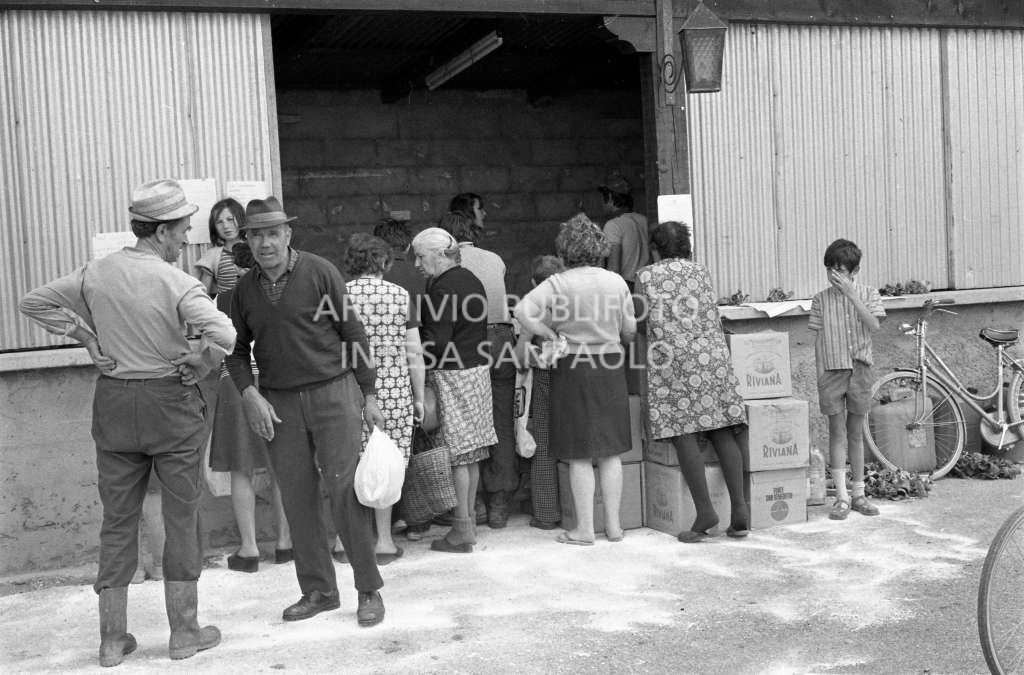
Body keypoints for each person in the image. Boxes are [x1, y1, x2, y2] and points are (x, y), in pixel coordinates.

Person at [19, 179, 235, 665]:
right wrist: (202, 358)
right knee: (182, 514)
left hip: (114, 404)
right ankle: (184, 634)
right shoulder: (175, 281)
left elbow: (32, 302)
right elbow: (225, 332)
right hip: (171, 407)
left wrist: (86, 338)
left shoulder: (95, 273)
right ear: (160, 231)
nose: (184, 239)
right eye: (181, 230)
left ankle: (112, 641)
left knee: (118, 521)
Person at [225, 196, 387, 627]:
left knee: (344, 492)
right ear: (248, 240)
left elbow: (353, 333)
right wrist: (249, 394)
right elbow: (236, 352)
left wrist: (368, 394)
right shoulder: (243, 291)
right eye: (256, 235)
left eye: (272, 233)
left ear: (288, 234)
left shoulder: (320, 272)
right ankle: (318, 590)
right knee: (297, 498)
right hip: (279, 404)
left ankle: (368, 589)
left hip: (333, 394)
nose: (264, 243)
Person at [514, 214, 636, 545]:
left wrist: (549, 331)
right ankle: (613, 526)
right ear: (599, 247)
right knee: (610, 451)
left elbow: (522, 311)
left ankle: (584, 529)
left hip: (573, 365)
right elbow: (630, 331)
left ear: (566, 249)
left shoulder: (558, 283)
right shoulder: (616, 282)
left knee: (580, 451)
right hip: (610, 365)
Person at [635, 222, 750, 542]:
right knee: (721, 428)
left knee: (683, 430)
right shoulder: (701, 272)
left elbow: (642, 323)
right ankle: (740, 509)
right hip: (712, 356)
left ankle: (705, 512)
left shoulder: (646, 276)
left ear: (655, 249)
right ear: (687, 247)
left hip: (674, 361)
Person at [194, 198, 292, 573]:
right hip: (271, 381)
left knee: (241, 469)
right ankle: (285, 542)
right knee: (282, 465)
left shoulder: (220, 298)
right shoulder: (275, 292)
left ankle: (249, 549)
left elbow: (213, 351)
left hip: (235, 386)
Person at [339, 233, 426, 564]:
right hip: (393, 390)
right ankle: (385, 541)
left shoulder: (341, 295)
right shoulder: (401, 296)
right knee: (385, 463)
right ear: (384, 262)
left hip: (350, 388)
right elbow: (414, 351)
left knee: (349, 460)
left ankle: (344, 541)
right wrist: (419, 396)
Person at [412, 227, 497, 553]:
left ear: (439, 253)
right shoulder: (470, 279)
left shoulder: (441, 288)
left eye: (421, 256)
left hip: (453, 375)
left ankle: (462, 528)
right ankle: (468, 523)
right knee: (472, 453)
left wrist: (416, 356)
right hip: (476, 372)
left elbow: (438, 342)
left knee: (459, 455)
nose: (419, 264)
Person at [439, 207, 517, 529]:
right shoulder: (495, 258)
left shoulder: (447, 264)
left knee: (466, 424)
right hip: (503, 338)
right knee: (500, 420)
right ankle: (499, 502)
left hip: (468, 343)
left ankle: (474, 505)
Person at [809, 238, 885, 521]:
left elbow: (875, 325)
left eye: (840, 270)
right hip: (831, 371)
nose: (834, 275)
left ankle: (859, 494)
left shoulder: (869, 293)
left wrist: (853, 295)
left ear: (855, 271)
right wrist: (819, 375)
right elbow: (817, 340)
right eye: (830, 269)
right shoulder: (820, 300)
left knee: (856, 431)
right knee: (836, 432)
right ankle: (840, 496)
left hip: (860, 369)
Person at [515, 255, 566, 530]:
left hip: (546, 380)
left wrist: (525, 340)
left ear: (535, 284)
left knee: (543, 444)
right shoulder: (572, 304)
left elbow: (521, 358)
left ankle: (547, 514)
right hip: (576, 378)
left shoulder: (533, 311)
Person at [598, 175, 648, 291]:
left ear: (609, 197)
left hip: (626, 288)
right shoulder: (644, 220)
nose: (600, 203)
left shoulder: (613, 225)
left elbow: (614, 270)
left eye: (601, 198)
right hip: (644, 286)